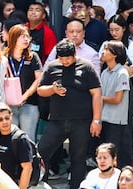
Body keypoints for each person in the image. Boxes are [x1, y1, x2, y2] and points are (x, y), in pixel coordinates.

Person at [37, 38, 103, 189]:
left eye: (68, 59)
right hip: (57, 120)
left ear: (74, 54)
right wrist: (53, 90)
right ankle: (42, 184)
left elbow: (97, 94)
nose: (65, 62)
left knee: (78, 158)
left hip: (81, 120)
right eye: (61, 59)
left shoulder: (87, 67)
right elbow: (40, 90)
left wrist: (96, 120)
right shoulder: (52, 67)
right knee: (42, 151)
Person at [3, 24, 43, 142]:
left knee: (28, 138)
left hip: (29, 103)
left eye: (27, 37)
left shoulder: (32, 57)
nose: (26, 39)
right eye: (22, 37)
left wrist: (25, 96)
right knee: (10, 138)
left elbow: (39, 79)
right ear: (13, 38)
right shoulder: (4, 57)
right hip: (8, 104)